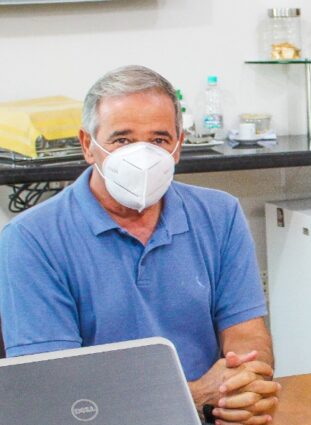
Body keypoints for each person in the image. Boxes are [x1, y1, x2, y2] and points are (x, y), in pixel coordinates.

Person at [0, 65, 280, 425]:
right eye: (122, 140)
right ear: (88, 145)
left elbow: (247, 333)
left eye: (159, 140)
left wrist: (243, 384)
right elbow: (54, 394)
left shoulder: (219, 214)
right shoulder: (31, 240)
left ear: (178, 147)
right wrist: (195, 397)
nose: (142, 156)